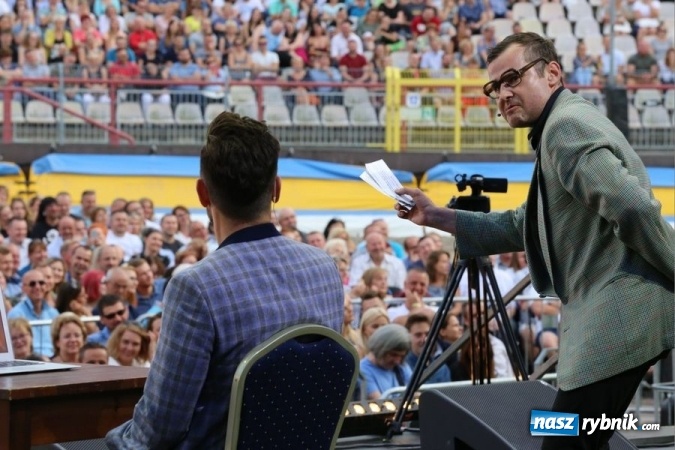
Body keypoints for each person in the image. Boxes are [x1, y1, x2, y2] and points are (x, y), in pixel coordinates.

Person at [395, 32, 674, 450]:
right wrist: (434, 215)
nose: (503, 94)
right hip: (617, 315)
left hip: (619, 317)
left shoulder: (563, 128)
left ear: (552, 73)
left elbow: (633, 208)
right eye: (495, 87)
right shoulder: (561, 126)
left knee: (562, 441)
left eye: (512, 78)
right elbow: (523, 224)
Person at [106, 112, 345, 448]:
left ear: (203, 194)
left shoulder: (196, 287)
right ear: (276, 189)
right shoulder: (325, 269)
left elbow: (160, 428)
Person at [359, 323, 412, 400]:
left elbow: (416, 394)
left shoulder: (401, 366)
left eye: (401, 356)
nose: (397, 361)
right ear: (380, 349)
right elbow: (379, 403)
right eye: (393, 355)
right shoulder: (363, 370)